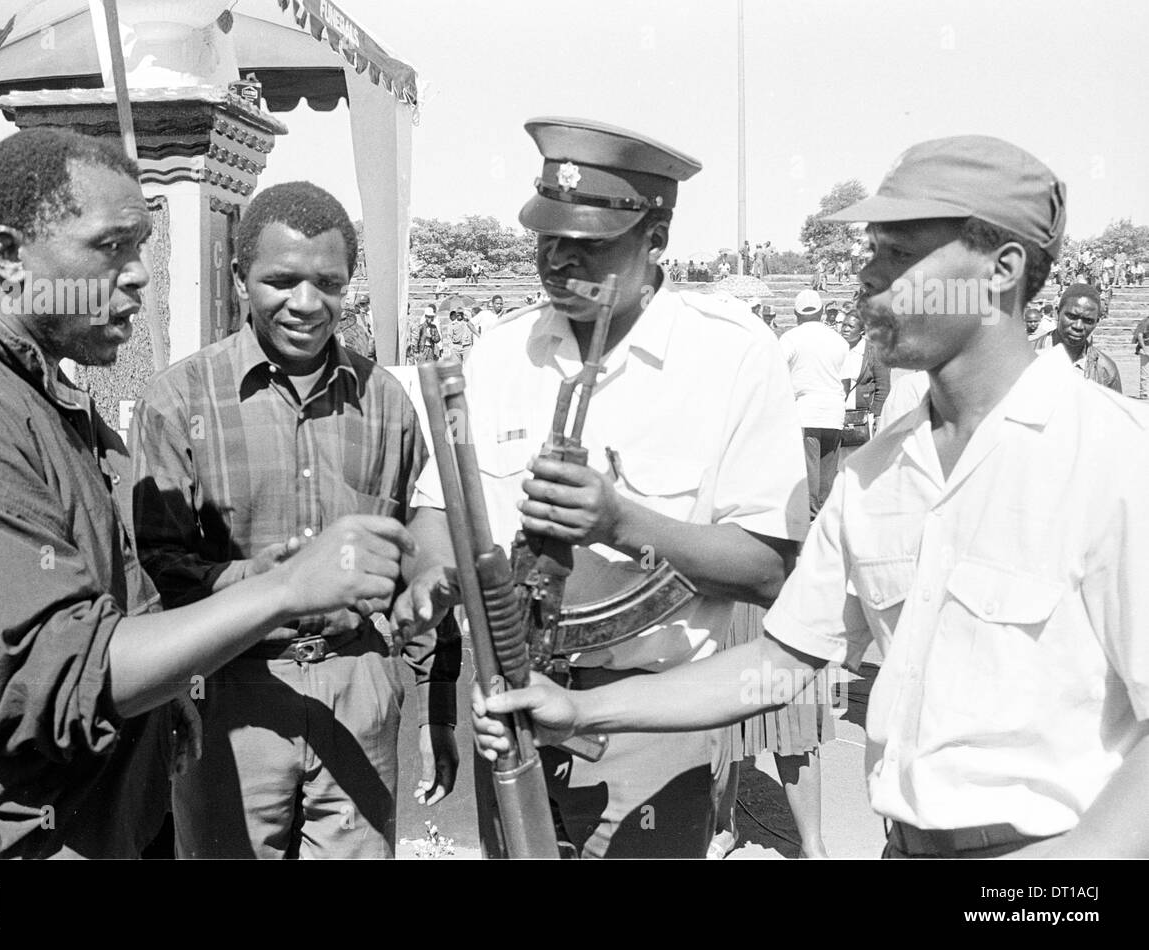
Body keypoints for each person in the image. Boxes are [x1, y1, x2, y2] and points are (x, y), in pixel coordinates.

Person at [476, 134, 1149, 860]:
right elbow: (783, 660)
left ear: (1002, 270)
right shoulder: (877, 472)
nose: (865, 278)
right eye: (870, 252)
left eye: (898, 255)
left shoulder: (1112, 459)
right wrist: (580, 709)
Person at [0, 131, 414, 859]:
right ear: (11, 257)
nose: (141, 275)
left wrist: (185, 660)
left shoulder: (33, 387)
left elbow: (104, 584)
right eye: (112, 246)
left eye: (142, 245)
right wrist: (284, 590)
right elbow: (55, 681)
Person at [403, 117, 809, 859]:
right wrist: (431, 578)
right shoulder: (499, 355)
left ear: (655, 241)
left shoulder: (730, 357)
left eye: (588, 246)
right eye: (548, 240)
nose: (560, 263)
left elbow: (770, 570)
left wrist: (621, 523)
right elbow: (439, 509)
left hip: (650, 726)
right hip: (512, 706)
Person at [130, 181, 459, 859]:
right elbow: (152, 569)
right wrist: (266, 581)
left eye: (328, 282)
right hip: (231, 690)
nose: (306, 304)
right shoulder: (178, 401)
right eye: (281, 281)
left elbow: (417, 562)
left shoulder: (388, 402)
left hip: (358, 684)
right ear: (239, 276)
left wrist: (434, 704)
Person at [780, 289, 848, 517]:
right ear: (820, 311)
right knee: (828, 468)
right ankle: (826, 514)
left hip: (805, 410)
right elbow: (846, 380)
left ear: (796, 313)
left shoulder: (790, 338)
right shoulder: (838, 340)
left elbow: (778, 372)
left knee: (808, 468)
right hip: (834, 410)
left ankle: (811, 515)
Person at [1034, 283, 1122, 391]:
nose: (1078, 326)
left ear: (1096, 322)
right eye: (1072, 316)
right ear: (1057, 312)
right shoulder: (1024, 355)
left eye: (1088, 321)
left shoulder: (1106, 370)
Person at [1135, 311, 1149, 398]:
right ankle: (1143, 392)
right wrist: (1144, 348)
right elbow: (1140, 335)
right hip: (1147, 347)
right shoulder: (1145, 322)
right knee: (1145, 372)